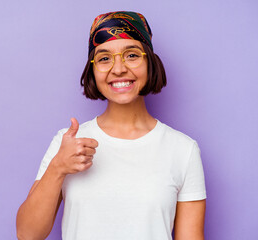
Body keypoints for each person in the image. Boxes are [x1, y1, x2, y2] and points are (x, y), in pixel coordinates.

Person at [16, 11, 207, 240]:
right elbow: (27, 234)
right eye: (105, 58)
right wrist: (58, 167)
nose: (118, 69)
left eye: (132, 55)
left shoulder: (183, 150)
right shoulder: (67, 143)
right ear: (93, 69)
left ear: (149, 62)